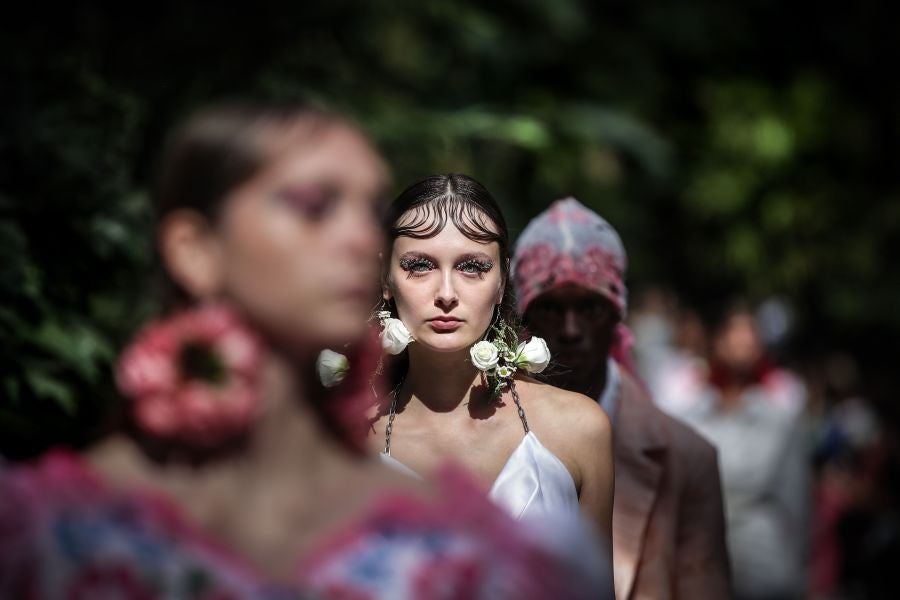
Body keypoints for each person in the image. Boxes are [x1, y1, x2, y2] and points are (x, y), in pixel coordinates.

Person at [0, 104, 609, 598]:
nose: (356, 237)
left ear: (503, 280)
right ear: (196, 247)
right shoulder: (36, 533)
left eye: (367, 211)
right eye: (315, 206)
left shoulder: (502, 550)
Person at [368, 175, 615, 545]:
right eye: (420, 265)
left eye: (472, 267)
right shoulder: (348, 437)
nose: (446, 294)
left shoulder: (578, 429)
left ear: (501, 282)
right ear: (386, 278)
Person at [512, 197, 732, 599]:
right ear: (523, 319)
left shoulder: (686, 457)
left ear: (618, 317)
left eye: (590, 308)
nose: (571, 329)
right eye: (550, 309)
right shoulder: (481, 428)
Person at [652, 300, 811, 600]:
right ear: (717, 341)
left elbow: (796, 502)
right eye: (733, 334)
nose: (742, 345)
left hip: (762, 564)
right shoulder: (691, 410)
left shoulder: (780, 417)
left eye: (749, 336)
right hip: (698, 561)